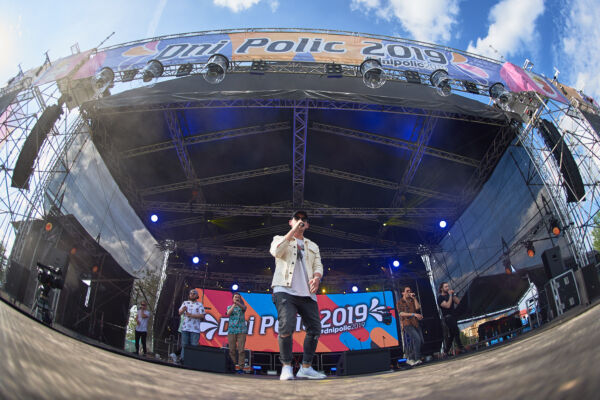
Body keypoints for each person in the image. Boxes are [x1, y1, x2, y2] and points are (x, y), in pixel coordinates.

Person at [270, 210, 325, 380]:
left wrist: (317, 278)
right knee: (287, 326)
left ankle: (306, 367)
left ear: (307, 225)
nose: (301, 221)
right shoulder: (280, 238)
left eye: (304, 220)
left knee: (315, 329)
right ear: (291, 222)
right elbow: (276, 252)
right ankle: (286, 367)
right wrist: (293, 231)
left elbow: (318, 265)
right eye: (297, 218)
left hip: (307, 293)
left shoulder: (313, 245)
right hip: (284, 289)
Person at [396, 286, 424, 366]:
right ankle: (417, 358)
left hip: (415, 323)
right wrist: (413, 314)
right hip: (407, 323)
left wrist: (414, 298)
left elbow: (417, 307)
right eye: (407, 291)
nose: (409, 292)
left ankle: (410, 358)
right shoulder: (400, 302)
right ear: (403, 293)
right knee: (417, 339)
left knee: (420, 341)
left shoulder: (412, 300)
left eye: (409, 291)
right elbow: (401, 313)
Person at [178, 289, 205, 364]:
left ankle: (192, 361)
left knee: (194, 345)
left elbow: (202, 315)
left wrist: (191, 315)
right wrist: (183, 309)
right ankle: (183, 360)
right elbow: (180, 312)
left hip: (195, 329)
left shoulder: (200, 304)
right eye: (191, 293)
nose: (192, 295)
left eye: (194, 293)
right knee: (184, 345)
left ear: (197, 295)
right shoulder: (185, 303)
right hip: (185, 327)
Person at [437, 282, 465, 354]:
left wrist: (453, 295)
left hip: (454, 316)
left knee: (452, 334)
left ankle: (446, 351)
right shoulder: (440, 298)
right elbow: (447, 306)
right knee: (456, 331)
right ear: (441, 289)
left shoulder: (450, 295)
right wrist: (450, 296)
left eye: (448, 286)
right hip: (448, 317)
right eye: (446, 287)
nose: (447, 288)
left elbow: (458, 302)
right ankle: (461, 347)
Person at [226, 292, 248, 372]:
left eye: (238, 297)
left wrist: (238, 303)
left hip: (241, 330)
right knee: (232, 350)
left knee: (241, 350)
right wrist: (234, 305)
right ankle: (232, 366)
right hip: (232, 330)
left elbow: (244, 308)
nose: (237, 298)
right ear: (233, 298)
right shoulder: (229, 307)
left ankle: (241, 368)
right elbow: (228, 313)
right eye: (235, 297)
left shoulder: (242, 307)